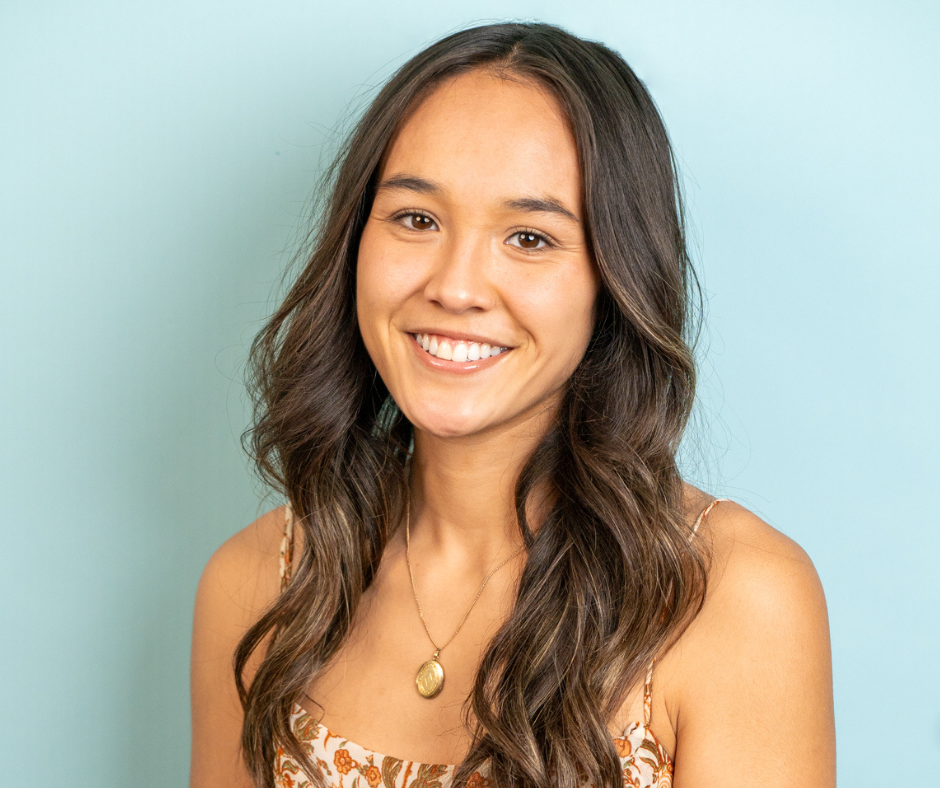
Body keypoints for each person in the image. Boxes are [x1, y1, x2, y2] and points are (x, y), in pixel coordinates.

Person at [189, 21, 835, 788]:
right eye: (416, 219)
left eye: (529, 238)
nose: (456, 287)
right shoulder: (261, 582)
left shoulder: (731, 597)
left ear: (614, 276)